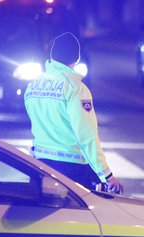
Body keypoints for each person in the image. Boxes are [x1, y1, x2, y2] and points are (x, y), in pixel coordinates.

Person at [24, 32, 123, 194]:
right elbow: (86, 135)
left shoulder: (34, 85)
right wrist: (107, 175)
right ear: (76, 60)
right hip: (70, 169)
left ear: (52, 56)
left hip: (39, 163)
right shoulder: (76, 89)